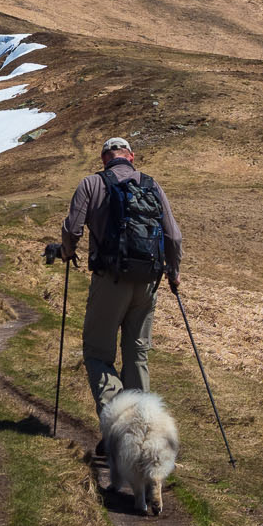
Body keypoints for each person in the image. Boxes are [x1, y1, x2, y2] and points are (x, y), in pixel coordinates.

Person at [53, 137, 183, 453]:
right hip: (147, 283)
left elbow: (72, 230)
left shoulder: (92, 184)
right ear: (131, 157)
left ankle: (120, 430)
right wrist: (173, 273)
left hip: (110, 280)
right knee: (137, 354)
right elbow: (174, 236)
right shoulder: (152, 185)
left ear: (103, 159)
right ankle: (144, 433)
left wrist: (68, 252)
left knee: (98, 354)